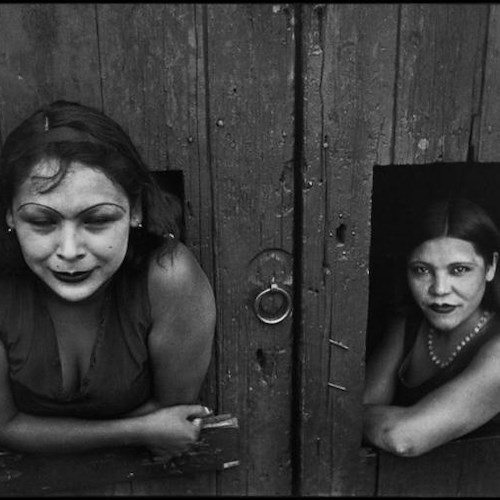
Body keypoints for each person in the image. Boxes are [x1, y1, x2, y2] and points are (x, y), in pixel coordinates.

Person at [0, 100, 216, 459]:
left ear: (137, 210)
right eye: (41, 222)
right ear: (10, 214)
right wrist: (137, 431)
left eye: (97, 220)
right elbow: (5, 427)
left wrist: (42, 431)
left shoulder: (168, 279)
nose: (69, 250)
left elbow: (173, 412)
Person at [363, 198, 500, 457]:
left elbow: (403, 437)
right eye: (422, 270)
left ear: (491, 266)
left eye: (459, 269)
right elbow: (355, 408)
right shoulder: (409, 325)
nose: (439, 289)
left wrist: (362, 417)